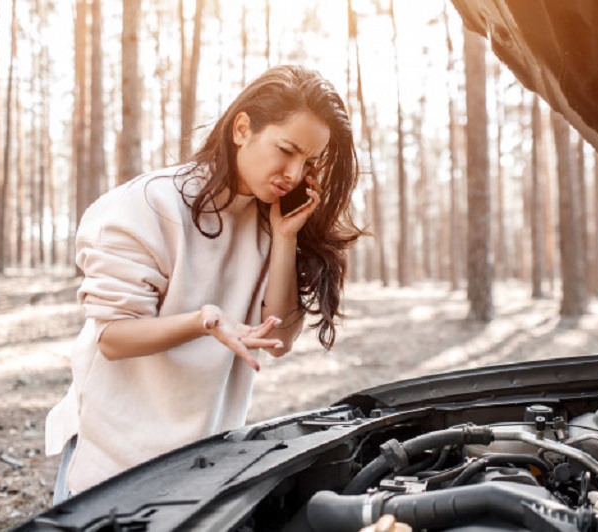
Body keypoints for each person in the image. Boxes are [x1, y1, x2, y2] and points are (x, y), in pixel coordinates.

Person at [45, 65, 364, 502]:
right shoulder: (145, 205)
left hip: (202, 466)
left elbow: (279, 336)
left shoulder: (271, 222)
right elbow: (113, 338)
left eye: (308, 162)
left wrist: (286, 239)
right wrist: (203, 322)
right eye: (286, 149)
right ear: (242, 129)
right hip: (112, 464)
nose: (293, 172)